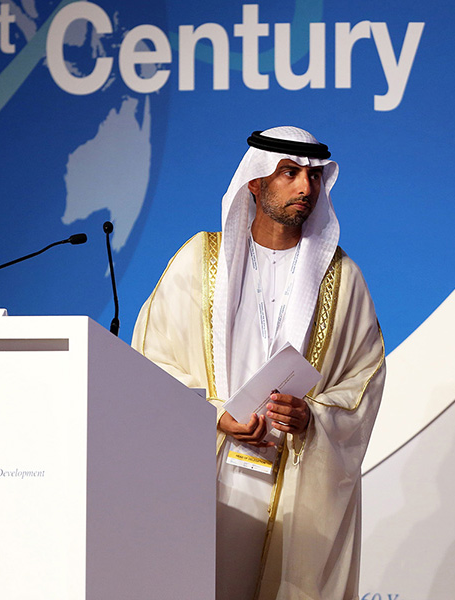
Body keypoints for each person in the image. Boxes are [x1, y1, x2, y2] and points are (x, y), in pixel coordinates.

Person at [132, 126, 386, 600]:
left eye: (313, 176)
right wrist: (212, 415)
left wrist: (314, 416)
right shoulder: (198, 262)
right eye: (289, 173)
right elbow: (151, 360)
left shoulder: (342, 279)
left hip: (294, 488)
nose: (305, 188)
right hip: (207, 476)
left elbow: (363, 379)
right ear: (255, 182)